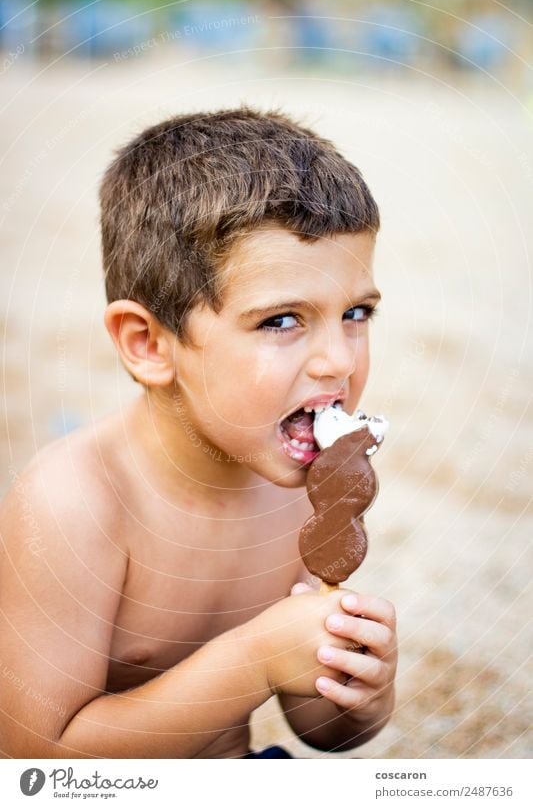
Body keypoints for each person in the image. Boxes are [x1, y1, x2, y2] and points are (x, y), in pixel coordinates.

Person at [0, 108, 397, 759]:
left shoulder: (302, 490)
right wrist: (255, 660)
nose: (340, 360)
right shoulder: (75, 503)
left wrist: (355, 687)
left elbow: (318, 727)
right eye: (280, 320)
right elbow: (33, 761)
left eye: (355, 313)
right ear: (149, 343)